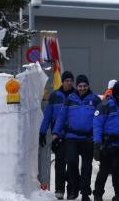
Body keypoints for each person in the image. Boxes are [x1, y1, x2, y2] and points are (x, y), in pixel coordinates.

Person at [53, 75, 101, 201]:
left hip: (88, 139)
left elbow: (100, 120)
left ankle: (85, 193)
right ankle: (77, 184)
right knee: (72, 162)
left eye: (85, 86)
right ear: (77, 86)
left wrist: (99, 138)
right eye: (80, 86)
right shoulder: (70, 99)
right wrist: (56, 132)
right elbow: (61, 117)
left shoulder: (95, 100)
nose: (82, 88)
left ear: (88, 86)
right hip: (72, 138)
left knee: (86, 167)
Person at [40, 71, 76, 200]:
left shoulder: (76, 95)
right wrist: (43, 132)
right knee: (60, 164)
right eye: (67, 80)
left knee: (72, 164)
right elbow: (48, 116)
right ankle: (59, 189)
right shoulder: (55, 96)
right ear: (63, 81)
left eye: (71, 80)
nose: (69, 82)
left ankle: (71, 189)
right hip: (58, 136)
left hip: (73, 136)